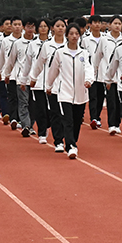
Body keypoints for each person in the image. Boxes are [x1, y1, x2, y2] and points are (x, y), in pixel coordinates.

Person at [45, 24, 94, 159]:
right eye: (71, 33)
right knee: (68, 121)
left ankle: (72, 141)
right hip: (64, 93)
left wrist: (89, 80)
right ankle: (71, 145)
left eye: (76, 34)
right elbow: (53, 71)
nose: (74, 36)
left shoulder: (84, 53)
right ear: (67, 35)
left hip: (81, 93)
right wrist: (49, 86)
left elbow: (89, 68)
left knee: (77, 121)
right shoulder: (60, 53)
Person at [30, 17, 67, 149]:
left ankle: (67, 137)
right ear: (53, 28)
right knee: (53, 112)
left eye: (63, 26)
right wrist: (33, 78)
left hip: (67, 85)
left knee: (66, 114)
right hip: (51, 85)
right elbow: (39, 64)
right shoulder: (47, 46)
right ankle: (58, 140)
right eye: (58, 26)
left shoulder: (70, 44)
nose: (60, 28)